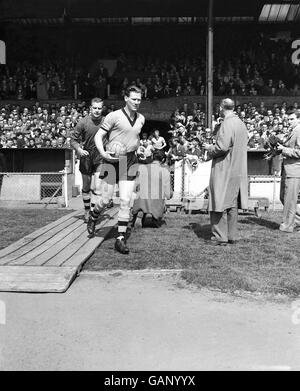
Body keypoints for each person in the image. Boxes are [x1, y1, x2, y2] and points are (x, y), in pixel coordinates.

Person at [89, 85, 145, 254]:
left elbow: (134, 137)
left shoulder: (141, 118)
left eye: (139, 99)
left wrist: (138, 147)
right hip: (112, 159)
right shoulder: (114, 116)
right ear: (126, 99)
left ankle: (120, 239)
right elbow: (99, 136)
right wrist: (103, 153)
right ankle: (93, 215)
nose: (136, 102)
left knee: (126, 200)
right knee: (105, 200)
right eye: (134, 99)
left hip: (130, 159)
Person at [203, 98, 248, 245]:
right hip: (237, 168)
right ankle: (231, 235)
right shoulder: (241, 123)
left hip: (224, 167)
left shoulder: (227, 123)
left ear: (221, 108)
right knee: (231, 203)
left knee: (219, 200)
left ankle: (219, 236)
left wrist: (209, 148)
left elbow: (222, 147)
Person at [70, 97, 105, 222]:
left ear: (102, 108)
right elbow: (73, 140)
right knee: (86, 186)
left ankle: (93, 214)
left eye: (99, 108)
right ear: (90, 108)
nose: (96, 110)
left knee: (97, 186)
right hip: (86, 157)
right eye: (94, 108)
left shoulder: (106, 122)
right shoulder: (83, 122)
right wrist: (79, 149)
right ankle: (86, 211)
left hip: (100, 157)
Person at [131, 150, 172, 228]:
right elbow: (167, 192)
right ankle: (155, 218)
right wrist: (169, 195)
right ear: (163, 160)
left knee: (141, 199)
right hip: (156, 200)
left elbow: (135, 184)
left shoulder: (141, 168)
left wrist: (135, 191)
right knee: (159, 199)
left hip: (141, 199)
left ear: (152, 157)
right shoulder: (165, 171)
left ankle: (140, 213)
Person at [277, 110, 300, 232]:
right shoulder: (292, 131)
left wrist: (283, 149)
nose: (289, 121)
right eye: (288, 119)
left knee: (289, 199)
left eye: (292, 119)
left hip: (294, 169)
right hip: (288, 168)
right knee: (284, 197)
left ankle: (288, 225)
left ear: (298, 119)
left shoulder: (299, 131)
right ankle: (296, 221)